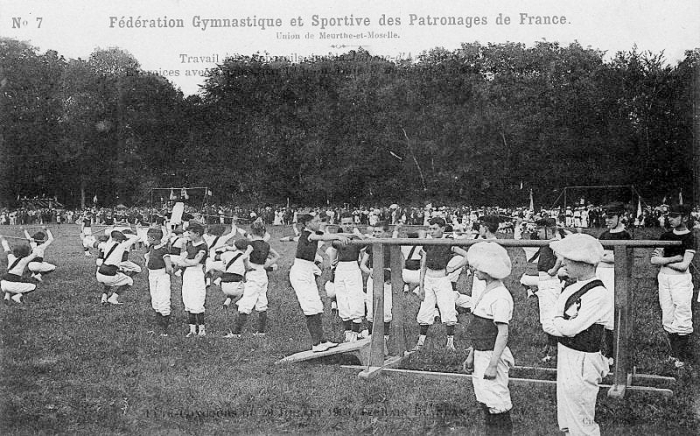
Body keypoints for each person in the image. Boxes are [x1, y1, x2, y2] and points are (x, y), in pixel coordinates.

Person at [541, 233, 611, 435]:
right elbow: (549, 321)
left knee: (580, 410)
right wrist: (561, 324)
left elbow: (572, 328)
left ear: (585, 263)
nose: (564, 265)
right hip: (566, 352)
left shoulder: (598, 293)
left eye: (569, 261)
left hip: (583, 358)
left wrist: (559, 324)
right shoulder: (571, 287)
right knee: (566, 411)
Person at [462, 241, 514, 435]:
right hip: (481, 353)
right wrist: (472, 355)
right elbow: (478, 329)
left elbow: (502, 332)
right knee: (485, 397)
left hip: (493, 354)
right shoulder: (486, 290)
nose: (474, 269)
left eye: (479, 267)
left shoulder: (500, 296)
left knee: (497, 400)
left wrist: (493, 364)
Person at [289, 213, 348, 352]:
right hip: (300, 273)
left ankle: (322, 340)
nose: (319, 223)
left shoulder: (314, 232)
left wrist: (348, 235)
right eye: (316, 221)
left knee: (316, 306)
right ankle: (316, 344)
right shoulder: (308, 234)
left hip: (308, 272)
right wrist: (338, 236)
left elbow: (324, 234)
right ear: (307, 223)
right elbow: (322, 237)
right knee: (310, 308)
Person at [650, 204, 695, 368]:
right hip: (664, 279)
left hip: (680, 281)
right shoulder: (665, 236)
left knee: (682, 313)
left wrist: (666, 262)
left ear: (684, 217)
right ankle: (673, 353)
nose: (670, 218)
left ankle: (680, 357)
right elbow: (654, 260)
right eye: (669, 215)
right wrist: (673, 259)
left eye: (674, 216)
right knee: (668, 315)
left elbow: (684, 266)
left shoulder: (690, 237)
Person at [414, 217, 468, 351]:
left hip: (442, 279)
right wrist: (421, 286)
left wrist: (454, 268)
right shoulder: (428, 243)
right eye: (430, 229)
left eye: (435, 229)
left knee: (447, 308)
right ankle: (420, 342)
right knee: (426, 308)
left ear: (443, 229)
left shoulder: (448, 243)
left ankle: (450, 343)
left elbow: (467, 255)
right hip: (428, 279)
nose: (432, 231)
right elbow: (423, 265)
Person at [225, 221, 279, 338]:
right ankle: (261, 331)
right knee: (262, 301)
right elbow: (276, 256)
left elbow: (244, 256)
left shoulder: (251, 244)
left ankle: (236, 332)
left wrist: (247, 266)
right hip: (262, 273)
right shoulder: (266, 245)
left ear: (252, 232)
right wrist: (266, 264)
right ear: (263, 232)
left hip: (253, 273)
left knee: (246, 302)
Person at [597, 202, 632, 364]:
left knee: (612, 312)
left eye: (611, 217)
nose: (607, 220)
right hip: (600, 274)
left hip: (614, 275)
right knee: (599, 309)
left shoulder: (625, 236)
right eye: (606, 217)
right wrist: (606, 257)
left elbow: (621, 258)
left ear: (621, 217)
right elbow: (597, 254)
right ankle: (601, 350)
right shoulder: (604, 235)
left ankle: (611, 353)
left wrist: (606, 257)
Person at [179, 221, 209, 337]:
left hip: (197, 274)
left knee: (197, 300)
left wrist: (184, 261)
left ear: (197, 234)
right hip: (188, 275)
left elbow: (195, 262)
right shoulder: (190, 245)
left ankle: (201, 329)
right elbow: (184, 259)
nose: (188, 235)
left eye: (190, 233)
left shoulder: (202, 247)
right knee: (188, 299)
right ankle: (192, 329)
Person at [96, 230, 140, 305]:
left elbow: (110, 235)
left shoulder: (107, 244)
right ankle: (113, 298)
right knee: (129, 281)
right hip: (109, 275)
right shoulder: (122, 246)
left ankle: (104, 298)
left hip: (99, 274)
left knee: (109, 281)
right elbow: (138, 237)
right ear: (119, 239)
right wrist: (126, 236)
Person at [144, 228, 174, 336]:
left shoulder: (163, 250)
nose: (147, 240)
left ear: (153, 238)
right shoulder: (151, 248)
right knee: (155, 299)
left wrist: (167, 272)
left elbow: (169, 265)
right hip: (152, 275)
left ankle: (164, 330)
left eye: (148, 237)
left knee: (163, 299)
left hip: (161, 275)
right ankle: (158, 326)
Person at [0, 236, 39, 304]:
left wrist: (3, 239)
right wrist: (33, 243)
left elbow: (7, 248)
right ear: (26, 254)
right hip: (12, 285)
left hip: (3, 284)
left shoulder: (10, 256)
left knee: (11, 282)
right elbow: (35, 254)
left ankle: (7, 295)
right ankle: (17, 296)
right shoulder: (24, 260)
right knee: (33, 287)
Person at [217, 238, 251, 309]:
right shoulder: (244, 257)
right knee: (251, 288)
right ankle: (239, 303)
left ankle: (227, 302)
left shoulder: (227, 254)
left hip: (224, 286)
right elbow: (248, 268)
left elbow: (217, 257)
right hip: (235, 287)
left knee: (234, 288)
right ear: (246, 248)